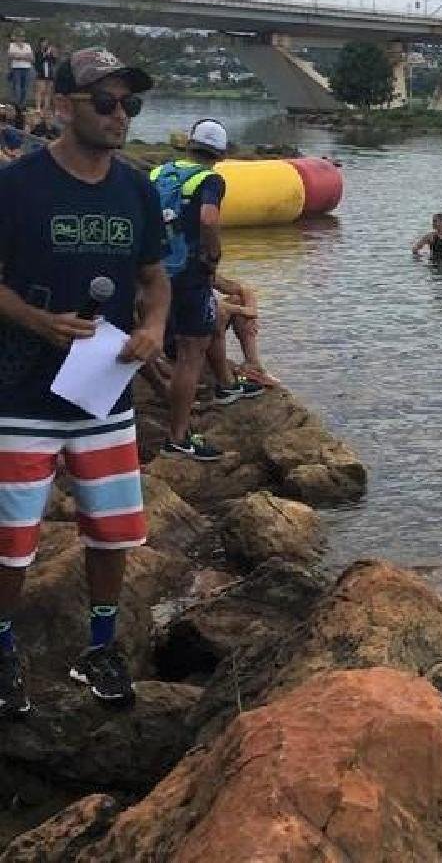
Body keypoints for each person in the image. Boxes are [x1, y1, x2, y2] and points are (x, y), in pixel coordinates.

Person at [0, 47, 169, 715]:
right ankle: (3, 651)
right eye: (105, 102)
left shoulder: (136, 190)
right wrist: (36, 320)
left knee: (112, 532)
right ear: (64, 105)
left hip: (105, 396)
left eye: (130, 104)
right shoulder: (18, 186)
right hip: (21, 396)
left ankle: (101, 646)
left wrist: (153, 328)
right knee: (12, 542)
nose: (120, 114)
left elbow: (155, 279)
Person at [150, 119, 240, 460]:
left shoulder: (159, 173)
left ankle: (223, 386)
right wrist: (212, 255)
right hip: (188, 275)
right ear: (219, 152)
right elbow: (207, 218)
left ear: (189, 144)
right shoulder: (211, 179)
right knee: (191, 353)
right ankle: (179, 435)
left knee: (154, 338)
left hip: (153, 271)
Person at [208, 274, 276, 389]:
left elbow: (243, 289)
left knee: (238, 299)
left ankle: (252, 364)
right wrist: (243, 311)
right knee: (221, 313)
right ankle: (225, 383)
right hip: (181, 332)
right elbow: (206, 303)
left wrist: (251, 312)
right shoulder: (179, 271)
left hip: (201, 321)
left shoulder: (201, 267)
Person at [5, 31, 34, 131]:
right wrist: (23, 56)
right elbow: (11, 56)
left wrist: (19, 56)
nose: (20, 38)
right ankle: (17, 104)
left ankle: (23, 104)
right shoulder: (12, 45)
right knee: (17, 86)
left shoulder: (27, 46)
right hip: (16, 68)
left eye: (22, 36)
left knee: (25, 87)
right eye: (19, 36)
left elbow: (31, 58)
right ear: (16, 38)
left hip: (26, 68)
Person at [33, 39, 59, 130]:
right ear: (40, 43)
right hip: (41, 73)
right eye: (44, 42)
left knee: (48, 91)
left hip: (50, 73)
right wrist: (46, 53)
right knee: (41, 90)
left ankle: (46, 107)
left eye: (47, 42)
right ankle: (38, 107)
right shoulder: (38, 52)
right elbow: (39, 61)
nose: (45, 44)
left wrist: (53, 54)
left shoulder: (50, 52)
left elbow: (54, 61)